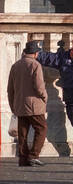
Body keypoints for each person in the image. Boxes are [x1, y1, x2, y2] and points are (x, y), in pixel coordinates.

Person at [7, 39, 47, 167]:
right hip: (34, 104)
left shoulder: (15, 65)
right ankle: (33, 155)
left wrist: (13, 104)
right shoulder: (35, 65)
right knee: (41, 128)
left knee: (23, 132)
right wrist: (44, 97)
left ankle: (23, 158)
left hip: (19, 104)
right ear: (35, 53)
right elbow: (39, 86)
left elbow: (10, 89)